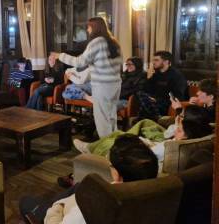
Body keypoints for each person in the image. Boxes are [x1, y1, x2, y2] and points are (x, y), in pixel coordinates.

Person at [20, 134, 158, 223]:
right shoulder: (158, 197)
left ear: (118, 174)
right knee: (79, 186)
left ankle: (50, 204)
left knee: (25, 201)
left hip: (59, 215)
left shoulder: (95, 205)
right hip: (78, 202)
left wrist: (57, 208)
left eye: (110, 166)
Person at [52, 17, 123, 137]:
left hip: (103, 86)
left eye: (89, 27)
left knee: (102, 121)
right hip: (115, 85)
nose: (87, 30)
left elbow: (80, 62)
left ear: (94, 28)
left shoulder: (97, 42)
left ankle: (105, 150)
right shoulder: (114, 42)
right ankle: (115, 146)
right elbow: (119, 65)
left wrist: (60, 55)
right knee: (111, 117)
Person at [73, 105, 213, 166]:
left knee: (118, 137)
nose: (179, 117)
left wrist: (143, 142)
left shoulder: (171, 145)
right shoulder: (183, 136)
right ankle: (90, 147)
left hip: (144, 148)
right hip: (150, 145)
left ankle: (91, 149)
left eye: (182, 116)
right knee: (120, 132)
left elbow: (155, 148)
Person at [136, 51, 187, 120]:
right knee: (140, 94)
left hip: (167, 103)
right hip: (152, 102)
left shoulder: (176, 76)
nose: (153, 62)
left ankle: (142, 120)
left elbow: (177, 96)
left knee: (144, 107)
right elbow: (146, 90)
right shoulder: (155, 73)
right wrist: (148, 78)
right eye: (153, 60)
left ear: (166, 62)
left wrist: (156, 100)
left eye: (156, 60)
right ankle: (156, 117)